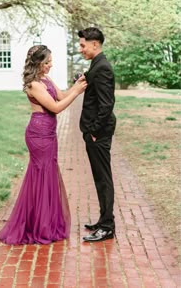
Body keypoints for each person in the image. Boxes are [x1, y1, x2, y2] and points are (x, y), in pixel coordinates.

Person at [0, 44, 87, 245]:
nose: (50, 65)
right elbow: (56, 106)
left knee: (48, 174)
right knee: (42, 175)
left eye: (51, 61)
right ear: (38, 63)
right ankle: (39, 225)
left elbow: (61, 96)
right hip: (38, 135)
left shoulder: (45, 79)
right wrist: (77, 92)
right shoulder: (34, 84)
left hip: (49, 133)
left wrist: (77, 85)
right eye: (47, 62)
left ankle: (44, 221)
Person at [77, 27, 116, 242]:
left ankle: (107, 227)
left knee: (103, 178)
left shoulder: (102, 68)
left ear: (95, 44)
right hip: (95, 132)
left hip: (98, 133)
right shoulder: (96, 66)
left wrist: (93, 131)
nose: (81, 49)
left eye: (83, 45)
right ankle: (103, 221)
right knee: (99, 177)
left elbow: (106, 105)